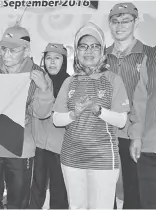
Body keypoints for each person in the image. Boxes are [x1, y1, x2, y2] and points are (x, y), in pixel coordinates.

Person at [0, 25, 54, 209]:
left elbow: (42, 113)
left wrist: (44, 89)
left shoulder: (38, 74)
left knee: (19, 200)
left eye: (13, 50)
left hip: (20, 146)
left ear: (26, 51)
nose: (6, 54)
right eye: (3, 48)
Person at [53, 22, 130, 209]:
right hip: (71, 158)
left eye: (95, 46)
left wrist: (98, 110)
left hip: (103, 159)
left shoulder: (113, 80)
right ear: (77, 52)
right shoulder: (69, 82)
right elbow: (56, 119)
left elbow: (121, 121)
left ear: (103, 52)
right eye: (83, 46)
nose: (89, 51)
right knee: (76, 206)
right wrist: (74, 113)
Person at [106, 3, 154, 208]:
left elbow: (145, 100)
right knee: (105, 189)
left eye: (126, 21)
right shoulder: (101, 55)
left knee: (134, 191)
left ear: (136, 22)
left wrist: (137, 135)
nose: (120, 26)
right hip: (104, 133)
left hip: (133, 134)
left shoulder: (149, 55)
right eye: (115, 21)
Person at [29, 43, 69, 209]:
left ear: (64, 61)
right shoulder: (36, 82)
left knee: (59, 193)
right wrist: (43, 88)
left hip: (61, 149)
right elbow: (36, 111)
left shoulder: (71, 83)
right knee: (35, 192)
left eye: (57, 58)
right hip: (37, 145)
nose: (52, 62)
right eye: (48, 58)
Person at [128, 46, 156, 209]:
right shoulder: (151, 58)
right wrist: (136, 136)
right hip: (149, 146)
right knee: (149, 203)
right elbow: (140, 100)